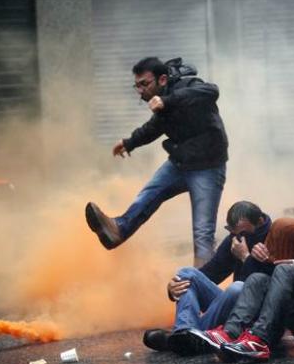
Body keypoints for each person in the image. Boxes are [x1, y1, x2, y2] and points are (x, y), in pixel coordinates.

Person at [85, 57, 228, 266]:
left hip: (208, 168)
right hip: (180, 163)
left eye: (144, 84)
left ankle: (202, 286)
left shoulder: (187, 85)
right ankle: (118, 229)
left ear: (162, 79)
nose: (140, 90)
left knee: (202, 234)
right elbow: (154, 128)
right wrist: (129, 142)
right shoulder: (160, 104)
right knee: (148, 195)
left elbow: (211, 91)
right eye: (137, 85)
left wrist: (167, 101)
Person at [188, 217, 294, 362]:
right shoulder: (243, 241)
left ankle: (258, 338)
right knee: (258, 279)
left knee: (284, 270)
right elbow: (220, 274)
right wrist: (252, 260)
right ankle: (230, 333)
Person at [142, 201, 272, 356]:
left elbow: (272, 287)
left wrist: (246, 258)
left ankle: (182, 338)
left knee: (237, 288)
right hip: (232, 311)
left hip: (254, 316)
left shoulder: (275, 235)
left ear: (259, 222)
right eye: (234, 232)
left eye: (243, 233)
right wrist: (172, 288)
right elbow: (208, 274)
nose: (239, 238)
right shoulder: (234, 239)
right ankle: (184, 333)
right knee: (187, 273)